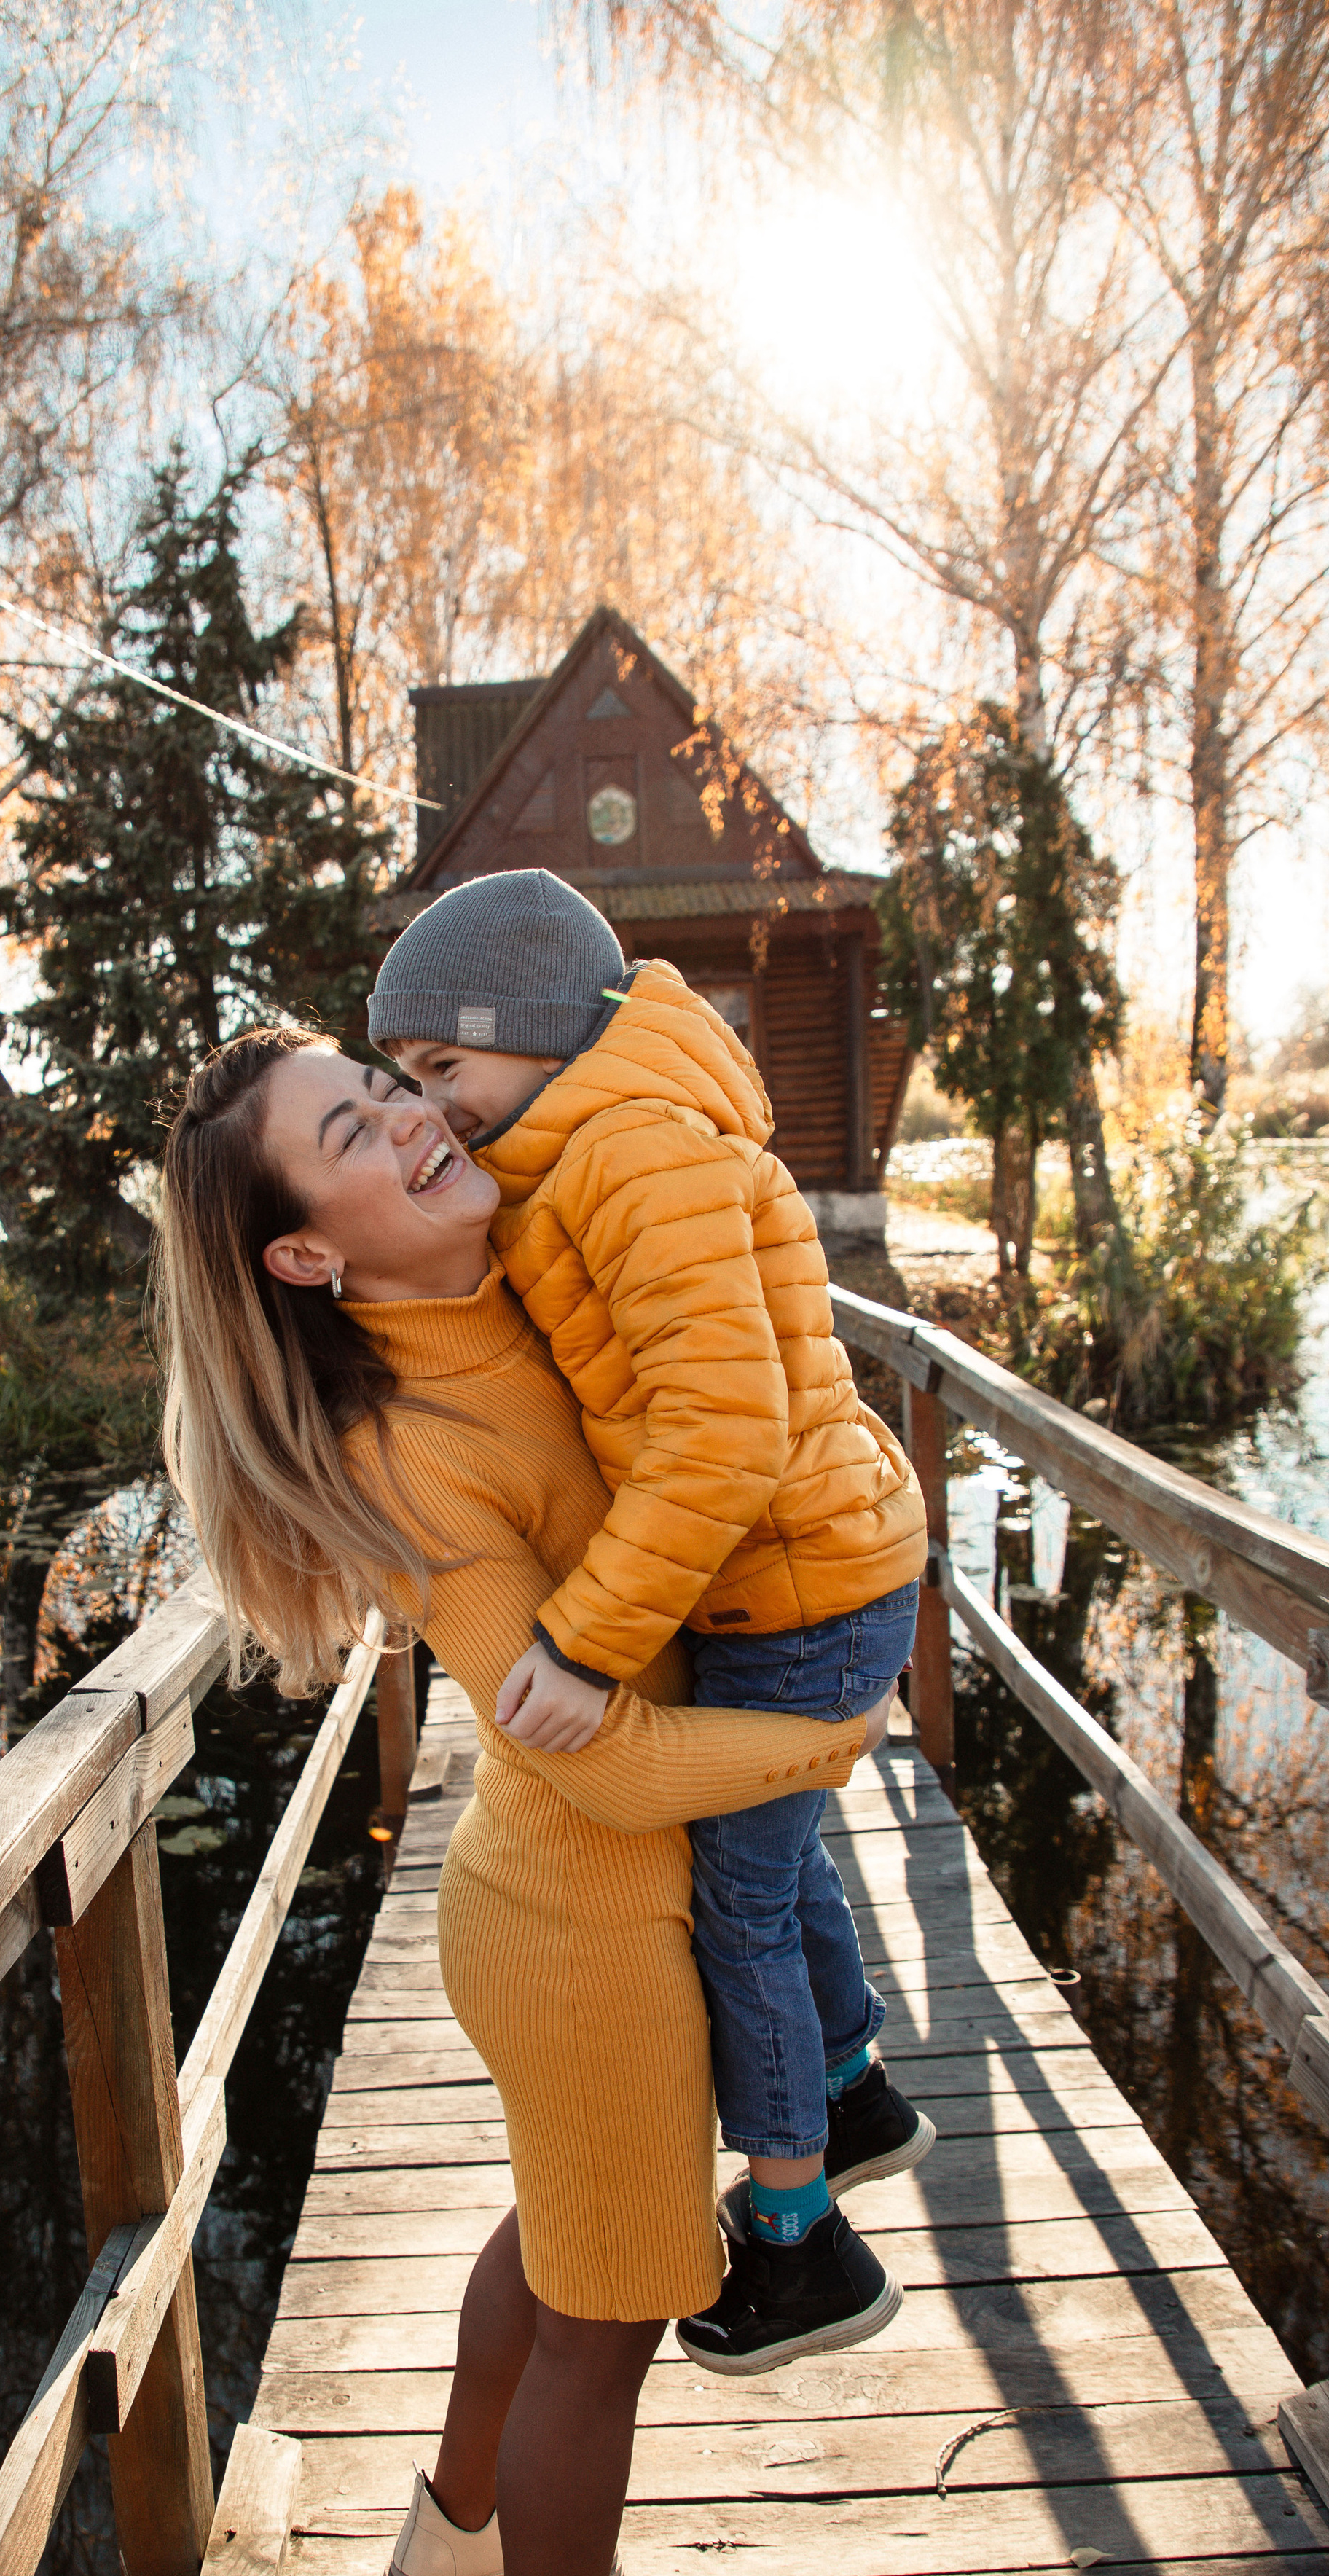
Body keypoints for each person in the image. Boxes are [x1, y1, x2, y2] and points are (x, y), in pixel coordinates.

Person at [154, 1023, 896, 2576]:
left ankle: (452, 2540)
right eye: (355, 1124)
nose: (412, 1118)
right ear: (305, 1256)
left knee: (559, 2253)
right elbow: (607, 1764)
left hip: (576, 1915)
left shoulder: (523, 1269)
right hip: (589, 1930)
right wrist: (835, 1729)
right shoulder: (404, 1447)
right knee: (612, 2320)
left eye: (390, 1084)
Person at [367, 869, 934, 2377]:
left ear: (538, 1034)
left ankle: (801, 2241)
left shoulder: (622, 1155)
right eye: (404, 1080)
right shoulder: (590, 1149)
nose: (430, 1107)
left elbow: (716, 1440)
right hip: (798, 1563)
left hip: (791, 1573)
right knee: (778, 1860)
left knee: (735, 1904)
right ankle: (854, 2085)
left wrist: (586, 1646)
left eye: (443, 1067)